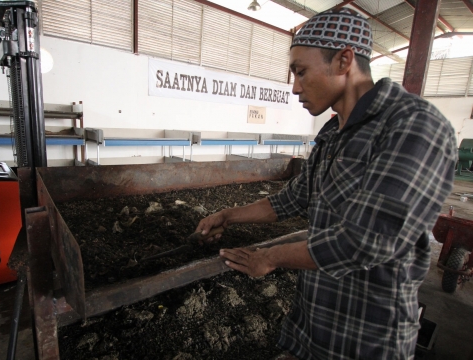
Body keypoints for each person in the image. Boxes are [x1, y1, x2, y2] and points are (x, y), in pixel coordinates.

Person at [196, 8, 457, 360]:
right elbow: (290, 201)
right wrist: (228, 215)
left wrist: (269, 258)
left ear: (343, 60)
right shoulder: (333, 134)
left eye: (301, 72)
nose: (295, 87)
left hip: (366, 338)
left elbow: (364, 241)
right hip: (314, 324)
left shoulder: (413, 126)